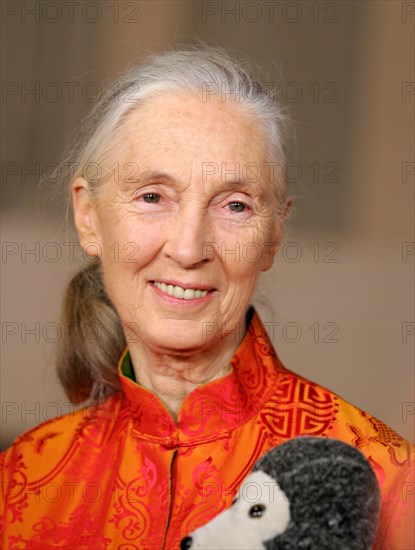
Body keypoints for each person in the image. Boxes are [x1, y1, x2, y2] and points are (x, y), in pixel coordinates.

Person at [1, 46, 413, 549]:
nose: (190, 248)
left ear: (274, 235)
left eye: (235, 205)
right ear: (89, 216)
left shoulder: (385, 478)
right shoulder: (22, 479)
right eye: (153, 196)